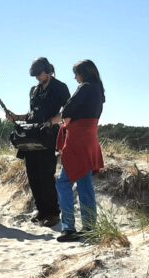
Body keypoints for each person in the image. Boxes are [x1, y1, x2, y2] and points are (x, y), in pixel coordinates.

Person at [6, 57, 71, 227]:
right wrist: (17, 117)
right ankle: (41, 210)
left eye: (39, 74)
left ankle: (53, 213)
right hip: (31, 136)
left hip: (48, 137)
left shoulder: (60, 87)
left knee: (46, 175)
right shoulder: (34, 90)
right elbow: (31, 114)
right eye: (34, 75)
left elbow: (68, 111)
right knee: (33, 175)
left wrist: (51, 122)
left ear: (48, 70)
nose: (37, 78)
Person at [55, 59, 105, 242]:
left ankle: (69, 228)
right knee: (84, 184)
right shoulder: (98, 90)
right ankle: (90, 227)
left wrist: (65, 117)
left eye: (76, 73)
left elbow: (68, 107)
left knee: (63, 182)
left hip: (78, 141)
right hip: (88, 139)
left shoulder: (86, 87)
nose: (75, 77)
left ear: (83, 73)